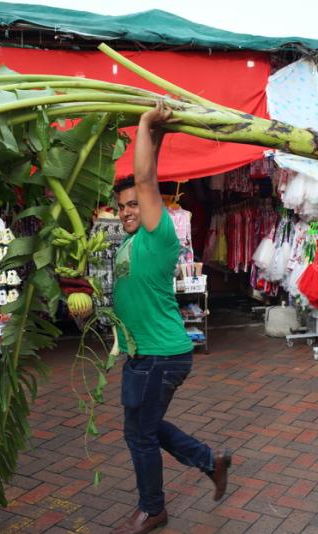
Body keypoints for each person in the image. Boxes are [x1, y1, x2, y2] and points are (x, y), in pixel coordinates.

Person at [111, 101, 231, 534]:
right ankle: (208, 460)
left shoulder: (157, 233)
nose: (127, 211)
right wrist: (158, 132)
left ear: (150, 206)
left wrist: (143, 123)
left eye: (133, 204)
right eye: (120, 206)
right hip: (144, 354)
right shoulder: (127, 243)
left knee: (139, 434)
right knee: (144, 425)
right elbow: (146, 175)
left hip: (162, 354)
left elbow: (147, 178)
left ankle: (154, 508)